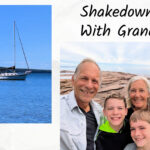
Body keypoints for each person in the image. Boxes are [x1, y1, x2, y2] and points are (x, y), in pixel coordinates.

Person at [60, 58, 103, 150]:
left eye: (94, 81)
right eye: (84, 78)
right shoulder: (58, 108)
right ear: (73, 80)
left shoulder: (99, 111)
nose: (89, 85)